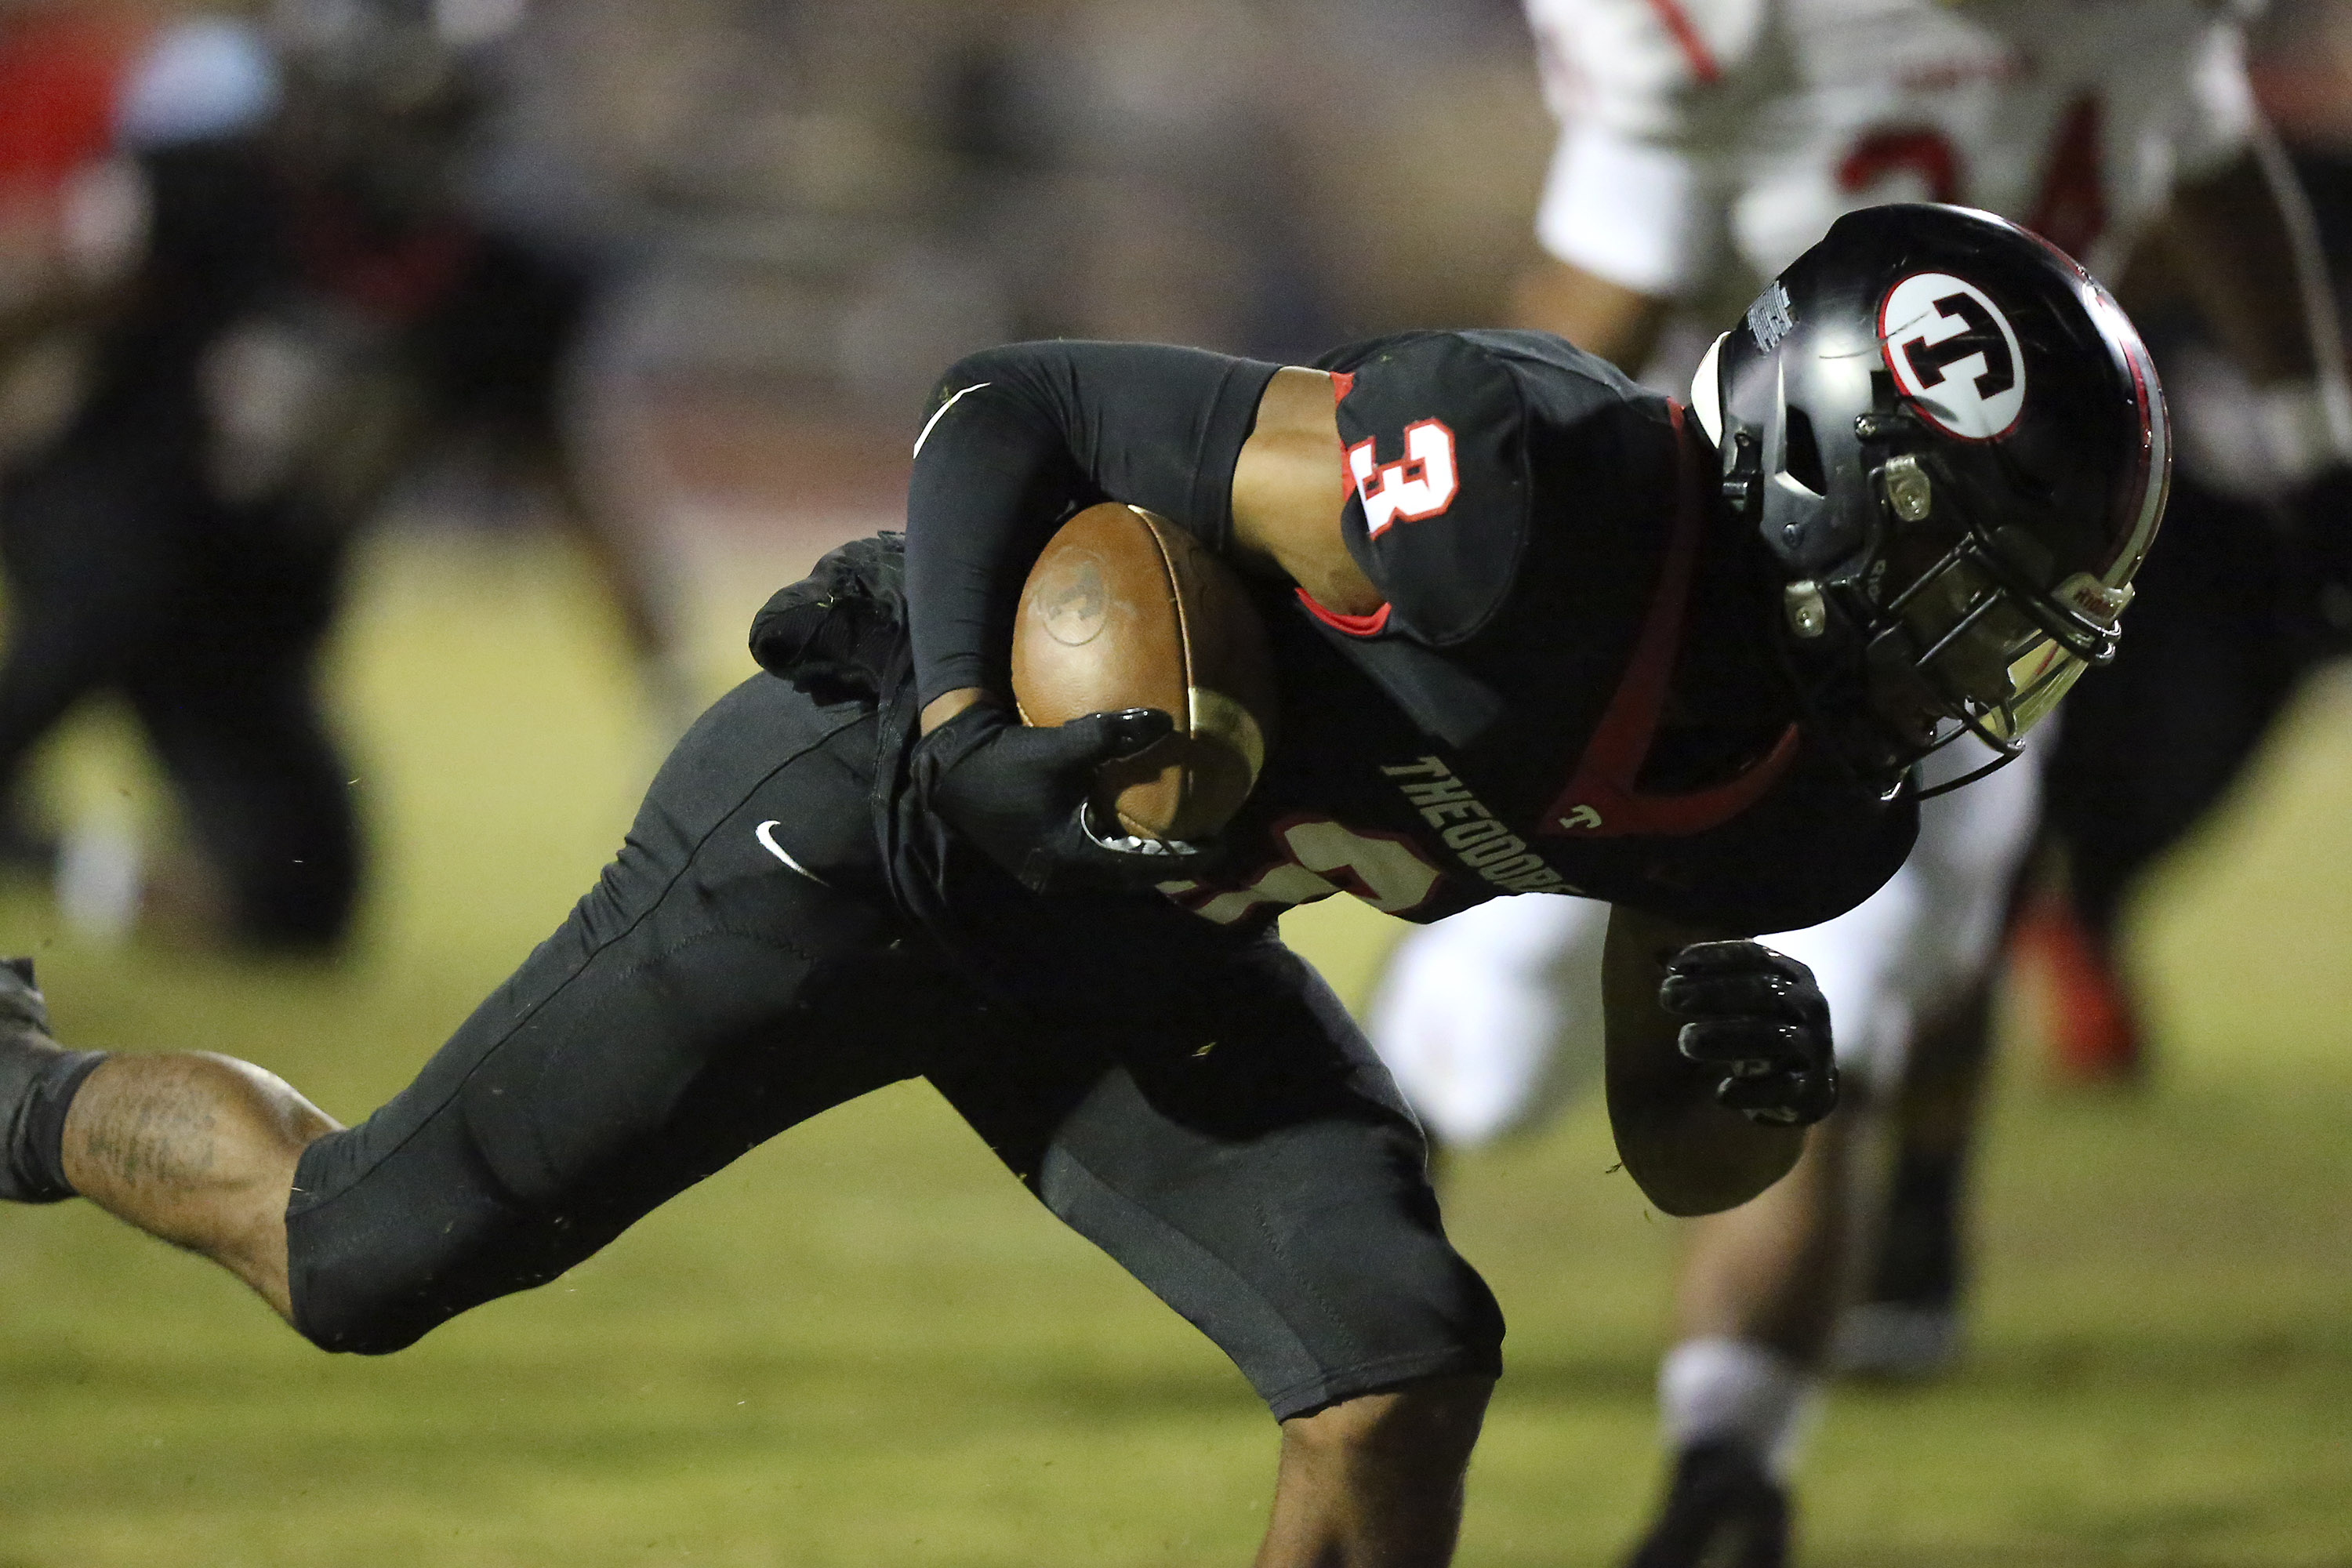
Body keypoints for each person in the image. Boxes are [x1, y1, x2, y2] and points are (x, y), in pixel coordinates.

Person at [0, 203, 2164, 1565]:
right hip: (886, 814)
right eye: (1970, 587)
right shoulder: (1525, 492)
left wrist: (1755, 1090)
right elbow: (1014, 402)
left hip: (1142, 929)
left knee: (1397, 1366)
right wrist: (966, 728)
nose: (1984, 660)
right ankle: (20, 1092)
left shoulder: (1810, 797)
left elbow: (1670, 1145)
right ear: (1818, 475)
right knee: (357, 1253)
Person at [1364, 2, 2334, 1561]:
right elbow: (1582, 328)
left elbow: (2217, 162)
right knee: (1506, 1046)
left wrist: (2318, 439)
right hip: (1755, 558)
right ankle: (1369, 1324)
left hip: (1893, 585)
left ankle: (1729, 1455)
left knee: (1813, 1028)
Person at [0, 0, 680, 951]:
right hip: (105, 539)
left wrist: (657, 674)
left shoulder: (501, 281)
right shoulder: (208, 188)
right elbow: (38, 296)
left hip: (248, 609)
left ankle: (71, 869)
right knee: (122, 575)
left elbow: (573, 484)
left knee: (301, 895)